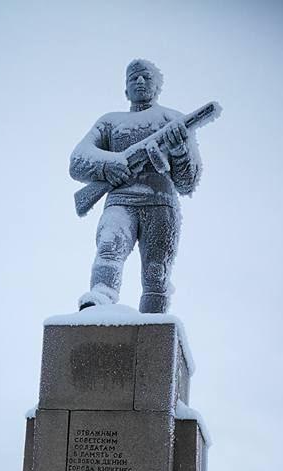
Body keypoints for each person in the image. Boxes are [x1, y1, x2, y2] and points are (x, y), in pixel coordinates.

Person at [70, 58, 201, 313]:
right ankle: (101, 297)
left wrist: (179, 151)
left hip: (161, 204)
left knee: (156, 273)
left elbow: (187, 183)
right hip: (121, 201)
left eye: (146, 77)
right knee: (109, 246)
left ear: (157, 86)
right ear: (125, 90)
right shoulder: (110, 121)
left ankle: (153, 323)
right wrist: (110, 165)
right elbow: (77, 160)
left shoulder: (173, 120)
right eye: (133, 78)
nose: (139, 81)